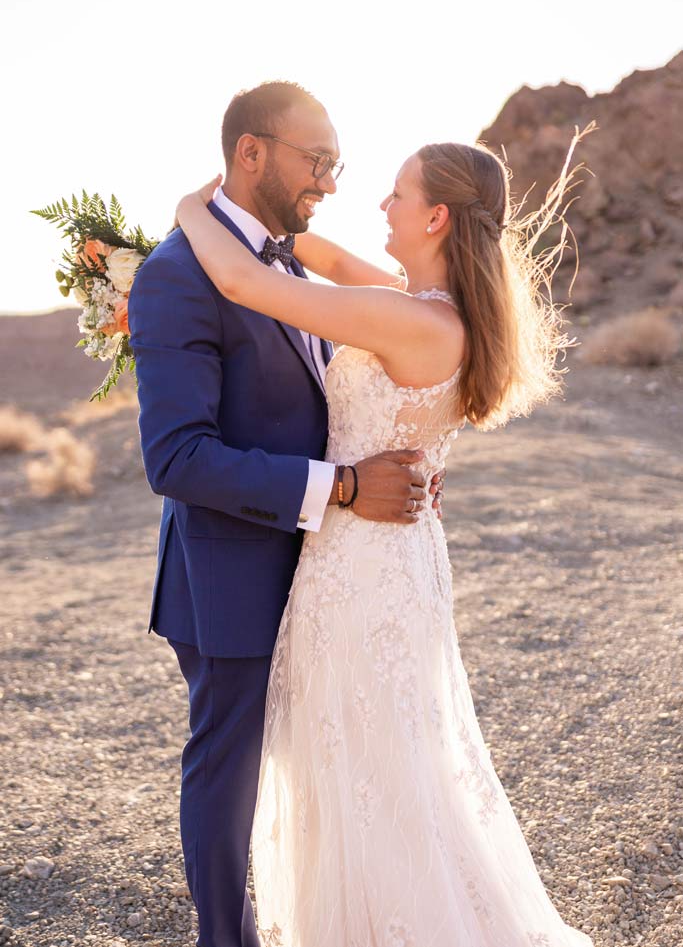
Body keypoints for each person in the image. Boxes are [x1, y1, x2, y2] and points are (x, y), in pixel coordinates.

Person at [174, 120, 593, 946]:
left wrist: (199, 204)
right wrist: (282, 217)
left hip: (363, 567)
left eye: (398, 194)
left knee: (364, 766)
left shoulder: (409, 322)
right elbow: (321, 259)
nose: (380, 203)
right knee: (380, 761)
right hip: (389, 556)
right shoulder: (426, 311)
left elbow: (242, 283)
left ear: (435, 218)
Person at [128, 81, 444, 947]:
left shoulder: (290, 264)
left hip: (321, 570)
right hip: (227, 571)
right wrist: (342, 486)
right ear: (251, 151)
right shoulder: (176, 275)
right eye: (320, 162)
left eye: (337, 165)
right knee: (228, 777)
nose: (332, 183)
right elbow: (176, 458)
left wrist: (401, 459)